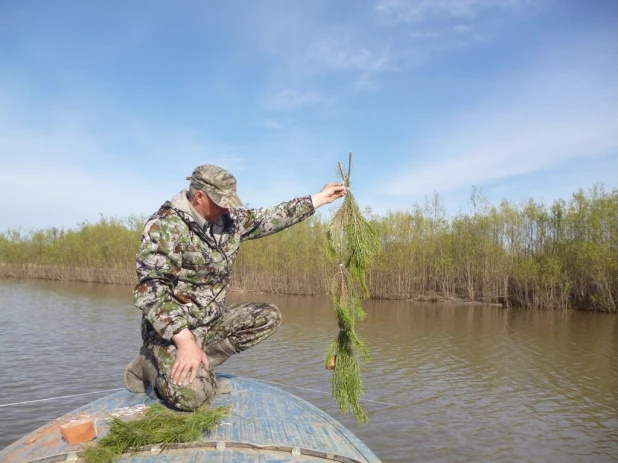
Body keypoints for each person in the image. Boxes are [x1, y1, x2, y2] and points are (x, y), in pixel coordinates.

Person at [124, 164, 346, 411]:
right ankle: (150, 364)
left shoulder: (228, 220)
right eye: (221, 202)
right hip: (173, 334)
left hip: (209, 324)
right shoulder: (165, 226)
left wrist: (318, 199)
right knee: (192, 398)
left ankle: (200, 365)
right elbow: (150, 289)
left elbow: (270, 217)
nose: (227, 208)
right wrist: (185, 340)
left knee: (267, 317)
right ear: (200, 196)